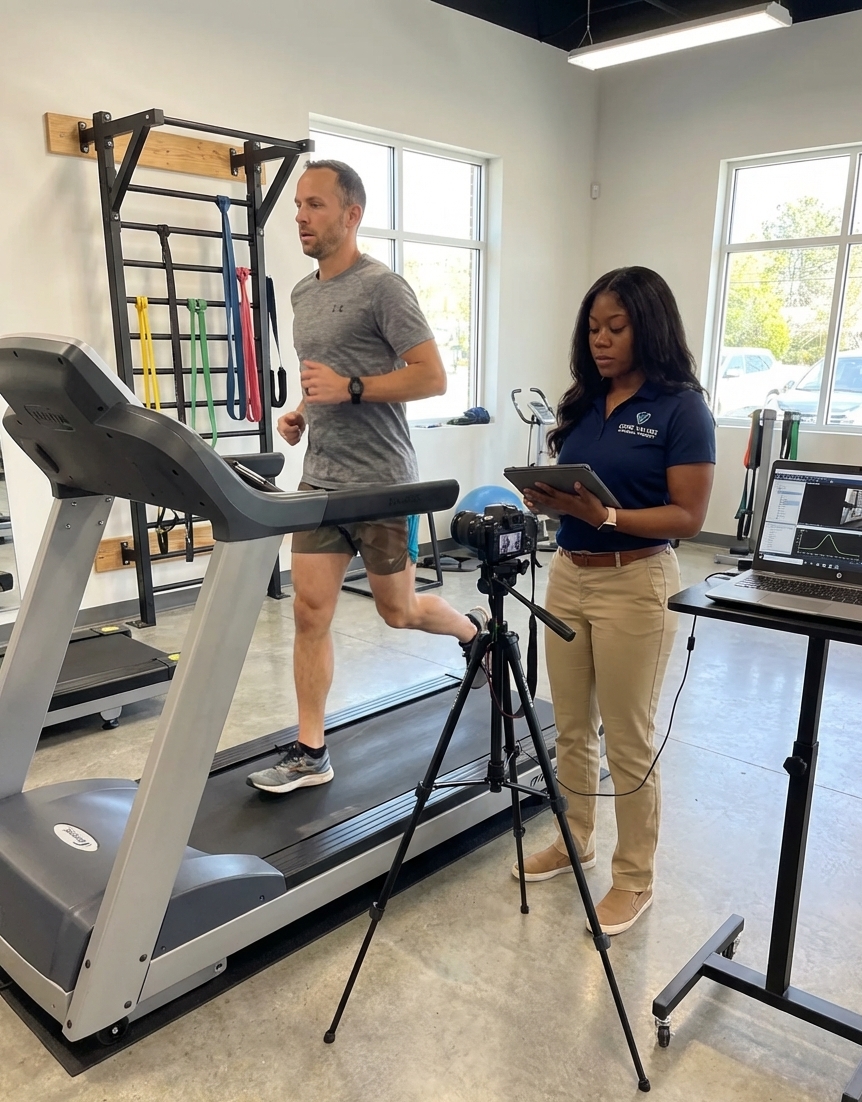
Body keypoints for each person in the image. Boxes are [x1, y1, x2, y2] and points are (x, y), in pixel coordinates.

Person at [248, 160, 486, 794]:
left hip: (383, 482)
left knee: (398, 611)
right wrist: (302, 412)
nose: (300, 215)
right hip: (322, 480)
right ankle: (309, 750)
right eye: (298, 204)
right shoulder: (301, 295)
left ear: (351, 215)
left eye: (315, 205)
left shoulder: (385, 288)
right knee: (309, 612)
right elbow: (324, 381)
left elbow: (431, 378)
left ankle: (473, 634)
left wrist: (352, 388)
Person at [517, 266, 715, 935]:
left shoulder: (682, 408)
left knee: (628, 740)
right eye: (593, 328)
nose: (601, 340)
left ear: (648, 327)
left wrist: (603, 516)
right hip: (569, 573)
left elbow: (687, 516)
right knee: (570, 726)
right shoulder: (584, 400)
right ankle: (575, 836)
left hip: (636, 582)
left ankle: (635, 879)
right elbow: (583, 498)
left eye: (616, 328)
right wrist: (548, 499)